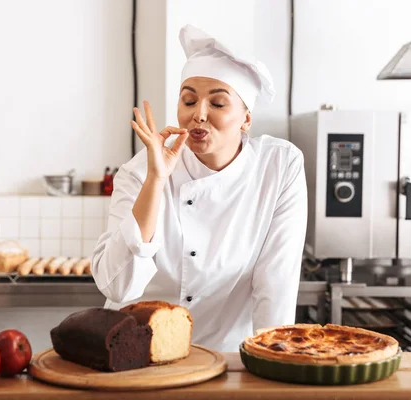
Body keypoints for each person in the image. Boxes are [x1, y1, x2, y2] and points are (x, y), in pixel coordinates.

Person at [91, 25, 307, 352]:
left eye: (218, 104)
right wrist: (156, 181)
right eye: (188, 100)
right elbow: (117, 286)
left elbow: (275, 284)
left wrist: (275, 369)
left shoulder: (278, 167)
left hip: (229, 360)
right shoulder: (140, 172)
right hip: (137, 356)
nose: (198, 115)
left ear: (246, 119)